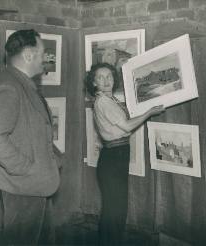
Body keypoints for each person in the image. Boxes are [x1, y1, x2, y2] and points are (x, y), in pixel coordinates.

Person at [0, 29, 61, 245]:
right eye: (42, 53)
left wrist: (54, 158)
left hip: (36, 188)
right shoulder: (9, 87)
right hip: (24, 188)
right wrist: (25, 168)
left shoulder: (21, 83)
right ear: (29, 55)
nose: (45, 59)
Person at [86, 63, 164, 245]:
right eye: (100, 77)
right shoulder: (104, 101)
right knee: (116, 210)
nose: (106, 81)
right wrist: (150, 112)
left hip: (116, 156)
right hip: (113, 157)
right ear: (94, 82)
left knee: (115, 208)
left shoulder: (109, 99)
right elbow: (127, 126)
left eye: (109, 76)